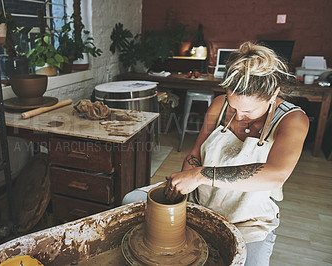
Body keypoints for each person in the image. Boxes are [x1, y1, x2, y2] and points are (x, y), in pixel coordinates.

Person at [122, 41, 309, 266]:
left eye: (248, 111)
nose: (239, 116)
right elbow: (195, 154)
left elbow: (275, 174)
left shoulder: (292, 119)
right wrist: (182, 187)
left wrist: (200, 175)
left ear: (273, 94)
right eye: (234, 107)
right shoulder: (220, 104)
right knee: (130, 200)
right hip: (199, 205)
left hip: (247, 220)